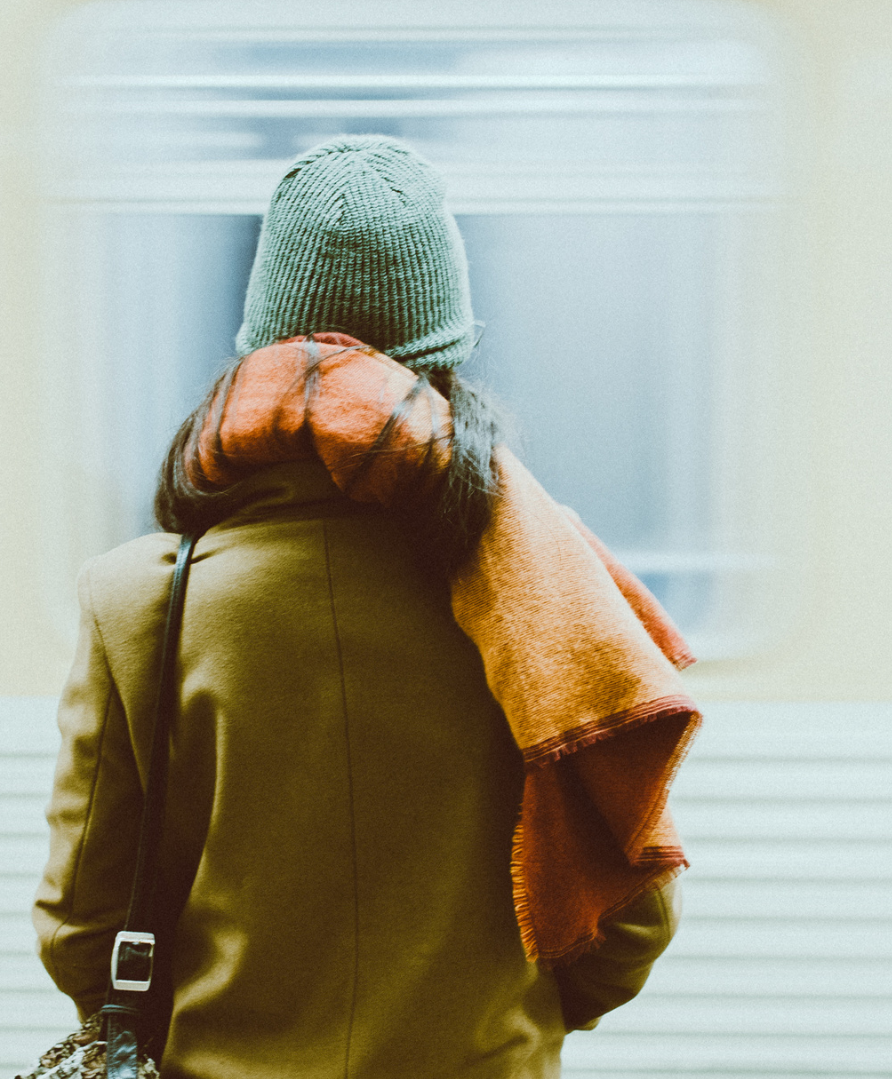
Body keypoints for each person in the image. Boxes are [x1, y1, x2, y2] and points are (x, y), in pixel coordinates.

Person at [34, 136, 699, 1079]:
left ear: (265, 351)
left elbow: (82, 928)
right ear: (448, 356)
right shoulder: (542, 585)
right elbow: (627, 915)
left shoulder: (138, 602)